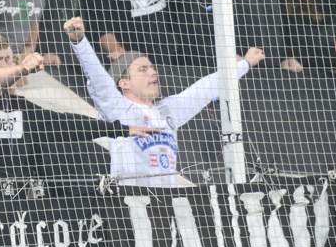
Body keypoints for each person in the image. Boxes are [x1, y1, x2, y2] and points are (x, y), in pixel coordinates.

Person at [0, 26, 152, 193]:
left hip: (3, 213)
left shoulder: (12, 104)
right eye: (0, 60)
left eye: (10, 58)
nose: (9, 65)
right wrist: (22, 69)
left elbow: (62, 124)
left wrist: (118, 128)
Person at [65, 16, 264, 186]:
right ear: (124, 83)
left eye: (152, 67)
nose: (153, 72)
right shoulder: (119, 109)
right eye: (142, 70)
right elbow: (98, 79)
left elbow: (204, 88)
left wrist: (245, 64)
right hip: (132, 203)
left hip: (167, 208)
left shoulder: (167, 110)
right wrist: (80, 42)